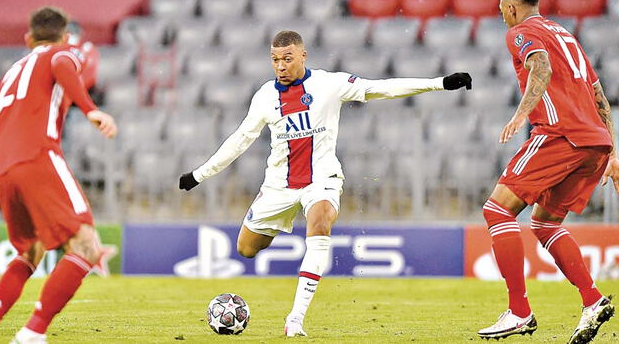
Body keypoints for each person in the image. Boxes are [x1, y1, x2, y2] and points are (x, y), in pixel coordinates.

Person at [179, 30, 472, 337]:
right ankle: (280, 224)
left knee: (319, 223)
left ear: (303, 56)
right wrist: (200, 174)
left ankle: (295, 319)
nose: (280, 66)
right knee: (246, 249)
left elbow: (380, 88)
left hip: (322, 178)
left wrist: (439, 83)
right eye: (275, 60)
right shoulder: (265, 96)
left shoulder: (329, 85)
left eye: (287, 59)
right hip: (279, 185)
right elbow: (240, 140)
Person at [477, 0, 617, 342]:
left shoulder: (521, 32)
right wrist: (614, 151)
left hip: (559, 134)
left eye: (500, 11)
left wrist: (522, 113)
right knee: (545, 224)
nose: (502, 17)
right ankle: (592, 300)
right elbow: (597, 92)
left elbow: (539, 67)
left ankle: (519, 312)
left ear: (511, 8)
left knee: (497, 210)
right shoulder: (566, 35)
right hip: (593, 143)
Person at [0, 7, 117, 344]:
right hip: (36, 156)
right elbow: (60, 62)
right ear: (66, 36)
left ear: (28, 39)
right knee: (86, 246)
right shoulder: (62, 52)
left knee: (31, 251)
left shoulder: (12, 69)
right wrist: (91, 109)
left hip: (0, 167)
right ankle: (33, 333)